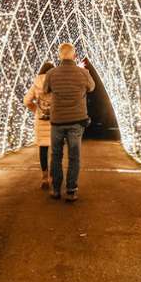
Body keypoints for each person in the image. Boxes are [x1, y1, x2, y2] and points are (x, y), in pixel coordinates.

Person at [42, 42, 94, 202]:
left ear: (59, 55)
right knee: (74, 156)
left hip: (57, 120)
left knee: (56, 155)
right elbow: (91, 87)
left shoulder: (51, 73)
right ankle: (71, 190)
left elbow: (45, 90)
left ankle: (56, 189)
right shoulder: (83, 73)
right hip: (77, 120)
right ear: (74, 55)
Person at [22, 60, 54, 190]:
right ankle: (53, 177)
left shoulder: (36, 84)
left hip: (41, 121)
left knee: (43, 150)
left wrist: (36, 109)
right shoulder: (55, 82)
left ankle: (44, 178)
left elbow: (26, 101)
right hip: (55, 121)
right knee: (55, 151)